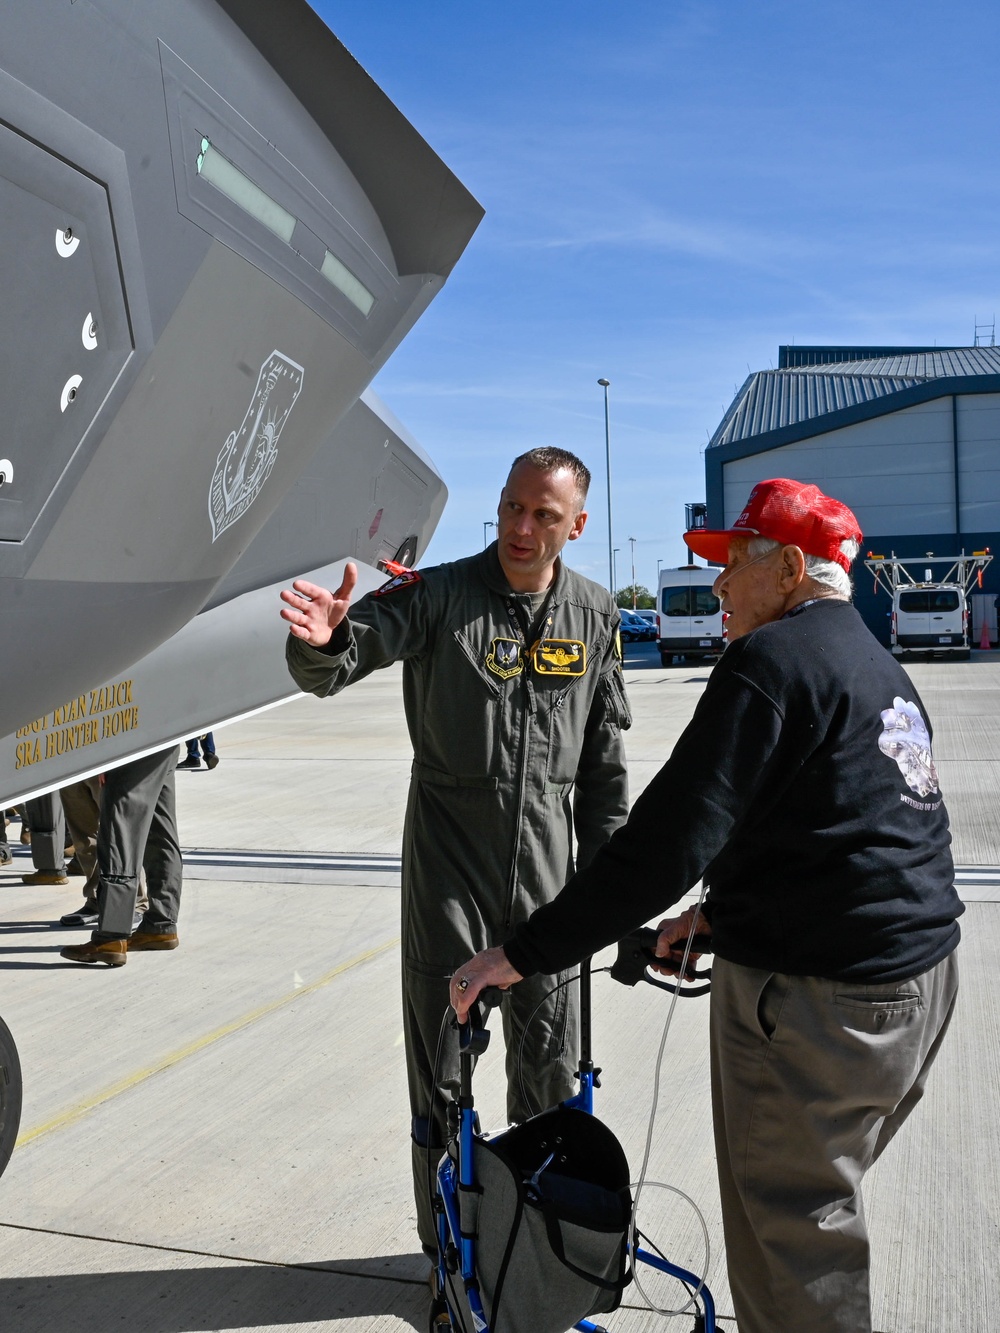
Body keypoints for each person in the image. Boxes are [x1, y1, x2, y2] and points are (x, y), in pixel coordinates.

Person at [451, 477, 962, 1333]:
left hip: (824, 1005)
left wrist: (523, 952)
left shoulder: (771, 661)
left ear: (793, 567)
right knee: (817, 1215)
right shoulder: (875, 664)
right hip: (917, 987)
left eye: (738, 563)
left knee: (793, 1245)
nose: (720, 585)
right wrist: (718, 921)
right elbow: (846, 832)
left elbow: (663, 843)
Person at [280, 446, 631, 1255]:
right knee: (442, 1090)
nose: (521, 526)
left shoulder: (597, 615)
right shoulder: (438, 595)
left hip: (550, 895)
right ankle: (449, 1259)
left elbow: (605, 771)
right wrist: (327, 642)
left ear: (575, 526)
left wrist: (609, 897)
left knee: (550, 1087)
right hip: (448, 881)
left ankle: (541, 1260)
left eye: (544, 514)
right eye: (512, 506)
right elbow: (340, 659)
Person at [61, 746, 184, 967]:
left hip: (134, 739)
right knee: (160, 832)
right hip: (166, 734)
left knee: (120, 833)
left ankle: (111, 937)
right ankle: (160, 925)